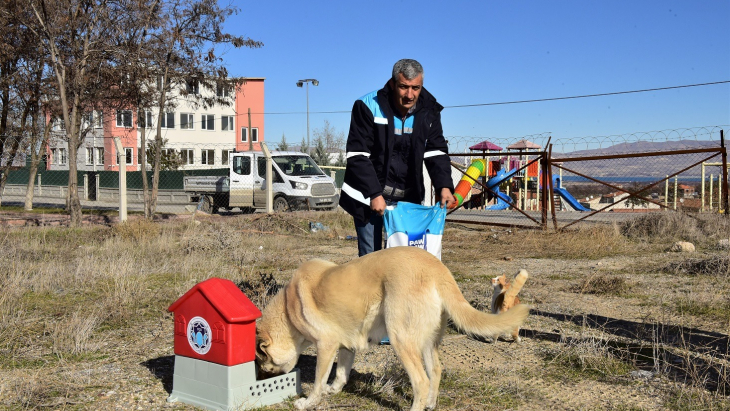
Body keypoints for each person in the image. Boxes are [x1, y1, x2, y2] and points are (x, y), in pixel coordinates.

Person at [339, 59, 455, 257]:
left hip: (408, 200)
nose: (410, 95)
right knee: (371, 260)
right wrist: (374, 194)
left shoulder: (429, 111)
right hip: (369, 197)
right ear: (392, 84)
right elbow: (358, 156)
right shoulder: (367, 106)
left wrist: (444, 185)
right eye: (403, 87)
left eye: (415, 88)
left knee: (407, 260)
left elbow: (436, 152)